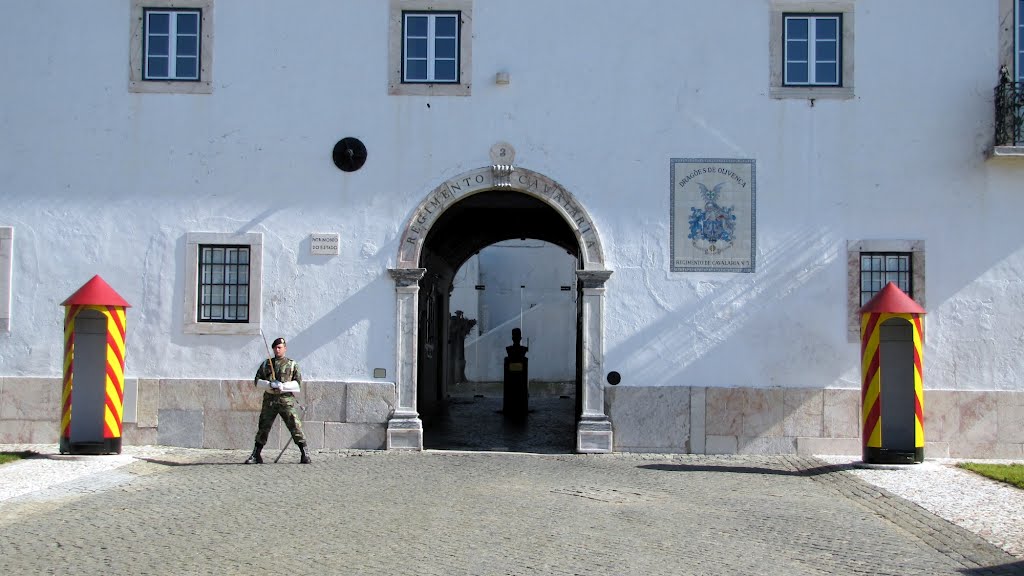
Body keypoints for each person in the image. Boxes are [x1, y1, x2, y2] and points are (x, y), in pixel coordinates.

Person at [244, 337, 311, 464]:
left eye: (280, 347)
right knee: (263, 427)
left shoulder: (292, 365)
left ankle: (305, 453)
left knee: (295, 426)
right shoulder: (266, 364)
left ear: (285, 348)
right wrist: (269, 385)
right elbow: (257, 381)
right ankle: (256, 454)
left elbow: (297, 384)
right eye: (275, 347)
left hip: (286, 400)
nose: (277, 350)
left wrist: (283, 386)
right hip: (270, 401)